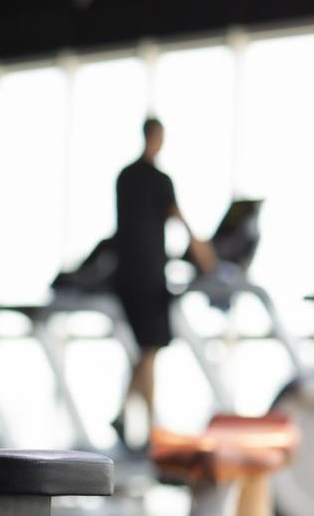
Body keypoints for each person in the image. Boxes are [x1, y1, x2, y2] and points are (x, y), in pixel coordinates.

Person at [111, 117, 217, 448]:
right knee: (150, 348)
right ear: (157, 138)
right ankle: (154, 426)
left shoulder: (124, 177)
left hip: (125, 272)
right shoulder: (159, 180)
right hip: (148, 274)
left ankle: (123, 413)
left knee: (145, 347)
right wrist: (205, 257)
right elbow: (179, 217)